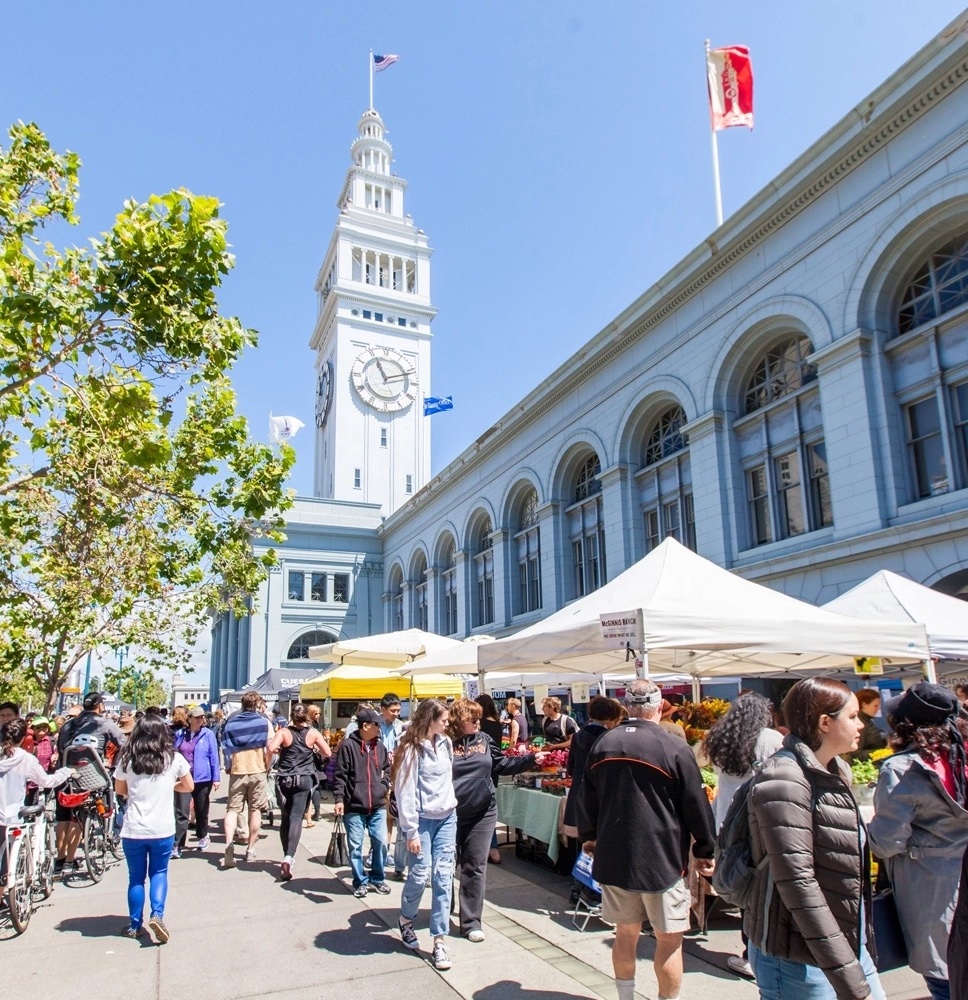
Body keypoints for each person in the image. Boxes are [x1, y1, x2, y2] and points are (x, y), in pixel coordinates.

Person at [746, 677, 885, 1000]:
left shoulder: (836, 771)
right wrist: (845, 972)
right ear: (825, 723)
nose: (861, 725)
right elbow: (798, 882)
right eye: (852, 717)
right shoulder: (784, 778)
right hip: (799, 955)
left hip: (844, 944)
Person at [578, 679, 716, 1000]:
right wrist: (706, 847)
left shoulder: (604, 744)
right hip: (662, 858)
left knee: (625, 933)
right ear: (657, 707)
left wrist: (589, 836)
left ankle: (626, 996)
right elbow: (696, 803)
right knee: (669, 940)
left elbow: (587, 797)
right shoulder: (673, 746)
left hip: (615, 853)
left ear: (627, 706)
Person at [868, 682, 968, 1000]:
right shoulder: (960, 757)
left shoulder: (902, 769)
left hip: (933, 897)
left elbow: (885, 842)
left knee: (946, 983)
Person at [702, 692, 783, 979]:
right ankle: (758, 953)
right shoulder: (770, 740)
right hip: (758, 820)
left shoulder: (721, 738)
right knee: (763, 889)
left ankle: (750, 951)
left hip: (726, 818)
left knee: (745, 888)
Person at [448, 698, 543, 942]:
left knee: (475, 866)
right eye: (473, 719)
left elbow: (501, 764)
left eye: (479, 718)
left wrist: (531, 759)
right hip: (450, 813)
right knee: (447, 865)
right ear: (460, 721)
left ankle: (470, 922)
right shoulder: (444, 742)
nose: (478, 723)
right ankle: (443, 906)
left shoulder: (484, 740)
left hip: (483, 811)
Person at [114, 714, 194, 944]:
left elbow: (120, 789)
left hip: (134, 829)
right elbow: (189, 785)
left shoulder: (128, 759)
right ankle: (157, 914)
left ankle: (134, 924)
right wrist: (169, 786)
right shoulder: (173, 759)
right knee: (159, 873)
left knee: (136, 879)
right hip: (162, 828)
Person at [392, 698, 457, 971]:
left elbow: (447, 779)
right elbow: (404, 789)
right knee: (419, 875)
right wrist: (410, 830)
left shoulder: (446, 743)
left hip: (447, 817)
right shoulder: (411, 749)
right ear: (429, 719)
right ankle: (406, 920)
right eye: (443, 719)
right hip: (421, 821)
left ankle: (439, 941)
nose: (447, 723)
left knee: (444, 877)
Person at [55, 691, 125, 877]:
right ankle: (106, 822)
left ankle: (60, 859)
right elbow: (124, 743)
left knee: (63, 816)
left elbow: (61, 748)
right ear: (100, 706)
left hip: (67, 776)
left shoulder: (69, 725)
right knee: (102, 793)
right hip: (94, 777)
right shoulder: (104, 723)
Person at [0, 719, 73, 883]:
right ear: (24, 737)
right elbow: (46, 781)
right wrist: (66, 772)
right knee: (8, 857)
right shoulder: (26, 759)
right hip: (12, 817)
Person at [269, 702, 331, 881]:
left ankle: (285, 853)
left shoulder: (283, 732)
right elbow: (327, 753)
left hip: (284, 779)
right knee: (297, 817)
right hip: (304, 778)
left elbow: (271, 748)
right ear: (307, 716)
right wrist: (314, 748)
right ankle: (289, 856)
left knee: (286, 817)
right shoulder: (312, 733)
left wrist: (281, 749)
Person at [333, 707, 390, 896]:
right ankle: (360, 881)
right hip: (354, 806)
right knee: (355, 846)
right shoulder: (348, 746)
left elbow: (387, 769)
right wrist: (339, 799)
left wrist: (383, 786)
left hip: (378, 804)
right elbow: (340, 775)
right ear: (365, 726)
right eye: (376, 724)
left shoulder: (380, 747)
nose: (379, 727)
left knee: (381, 843)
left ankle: (377, 878)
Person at [220, 690, 272, 868]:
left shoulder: (231, 723)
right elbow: (270, 748)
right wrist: (268, 764)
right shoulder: (264, 723)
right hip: (257, 769)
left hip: (238, 769)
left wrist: (228, 765)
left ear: (242, 704)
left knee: (233, 809)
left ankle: (228, 845)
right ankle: (250, 849)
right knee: (255, 810)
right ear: (257, 704)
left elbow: (226, 749)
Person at [563, 695, 624, 830]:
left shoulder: (578, 736)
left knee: (582, 844)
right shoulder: (609, 738)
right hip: (601, 799)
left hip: (579, 795)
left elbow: (571, 768)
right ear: (609, 717)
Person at [173, 707, 221, 857]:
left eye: (202, 717)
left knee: (201, 809)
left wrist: (216, 778)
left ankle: (203, 835)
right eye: (196, 717)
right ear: (189, 719)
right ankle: (178, 844)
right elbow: (174, 753)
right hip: (184, 777)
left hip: (202, 777)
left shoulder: (208, 734)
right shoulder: (180, 734)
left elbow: (214, 756)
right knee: (181, 811)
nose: (200, 720)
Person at [375, 693, 406, 880]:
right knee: (382, 815)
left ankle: (389, 852)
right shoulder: (376, 725)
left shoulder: (400, 727)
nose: (396, 714)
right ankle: (381, 850)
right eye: (393, 711)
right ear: (383, 709)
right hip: (379, 775)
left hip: (395, 776)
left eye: (398, 710)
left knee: (393, 814)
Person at [845, 688, 887, 763]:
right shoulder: (860, 723)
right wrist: (883, 752)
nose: (878, 708)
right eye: (875, 706)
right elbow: (855, 752)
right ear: (864, 704)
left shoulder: (868, 720)